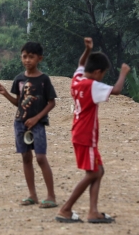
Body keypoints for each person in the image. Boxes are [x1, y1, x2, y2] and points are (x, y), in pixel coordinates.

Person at [56, 38, 130, 223]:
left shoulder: (77, 81)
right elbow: (118, 90)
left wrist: (87, 50)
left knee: (99, 170)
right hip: (86, 135)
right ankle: (65, 209)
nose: (103, 77)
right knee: (93, 173)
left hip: (81, 132)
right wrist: (123, 73)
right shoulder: (93, 86)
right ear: (97, 72)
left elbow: (81, 64)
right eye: (104, 73)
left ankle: (93, 212)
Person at [0, 42, 58, 208]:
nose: (27, 60)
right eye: (24, 56)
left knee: (41, 158)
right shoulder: (19, 79)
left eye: (31, 57)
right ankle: (32, 195)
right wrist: (5, 94)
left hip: (37, 124)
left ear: (39, 58)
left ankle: (51, 196)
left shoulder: (44, 80)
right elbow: (19, 102)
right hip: (20, 123)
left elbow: (51, 103)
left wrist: (37, 118)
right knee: (26, 157)